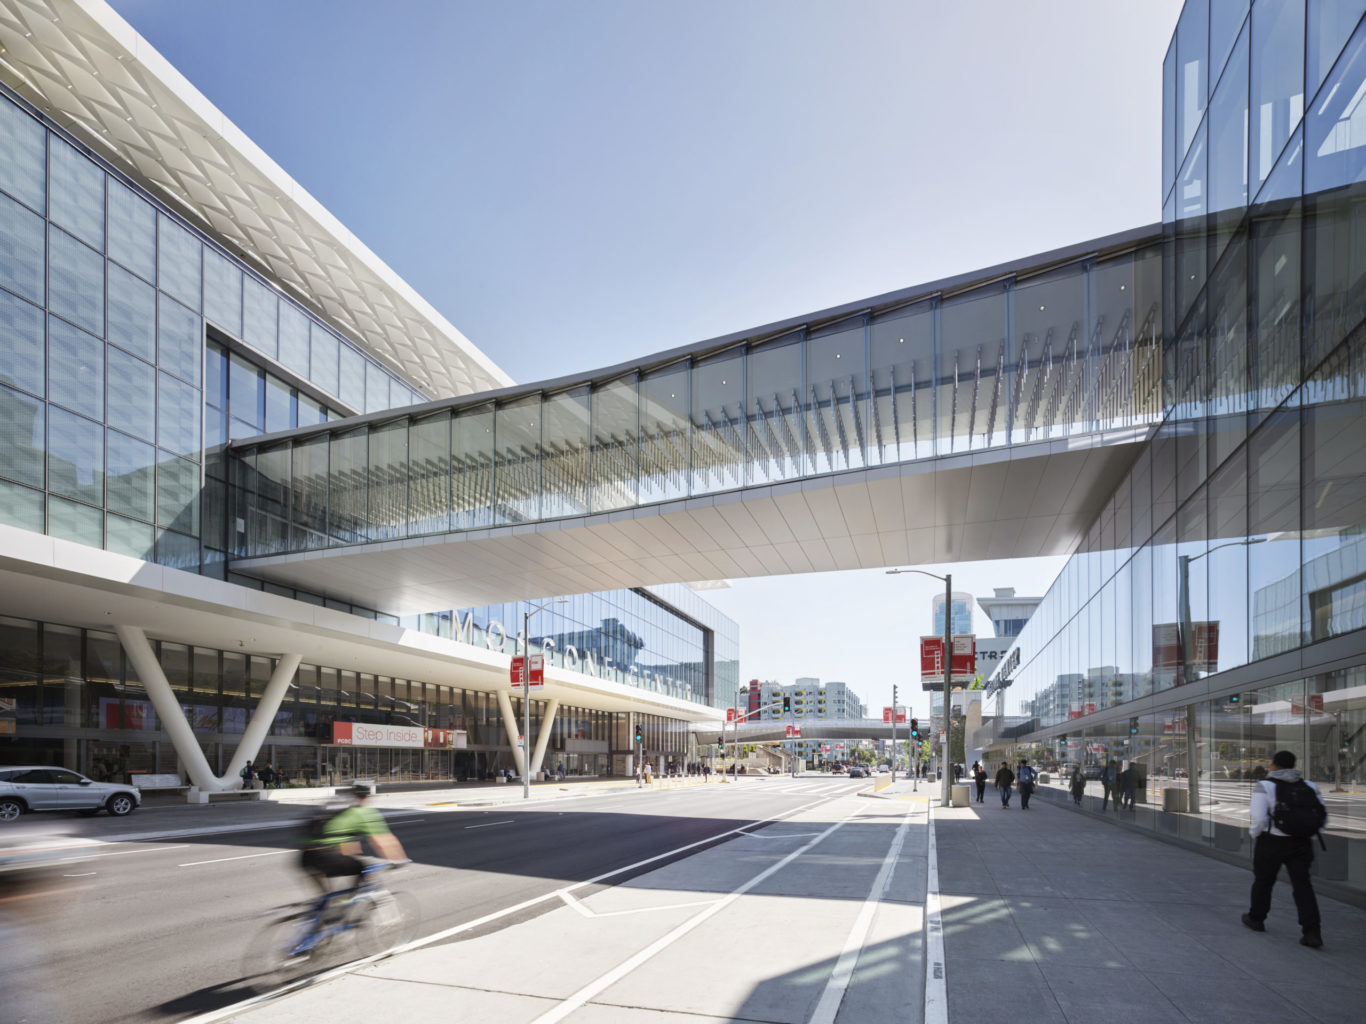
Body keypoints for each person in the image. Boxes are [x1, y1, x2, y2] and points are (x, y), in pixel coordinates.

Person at [1242, 750, 1326, 948]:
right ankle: (1312, 932)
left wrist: (1255, 835)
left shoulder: (1265, 786)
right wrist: (1308, 834)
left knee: (1263, 881)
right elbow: (1321, 817)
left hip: (1272, 841)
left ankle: (1257, 919)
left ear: (1273, 764)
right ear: (1293, 765)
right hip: (1302, 843)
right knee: (1303, 886)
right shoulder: (1310, 786)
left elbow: (1260, 818)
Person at [300, 783, 409, 894]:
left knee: (327, 895)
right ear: (366, 797)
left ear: (352, 794)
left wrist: (347, 850)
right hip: (325, 857)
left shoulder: (337, 808)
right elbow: (381, 841)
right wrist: (398, 859)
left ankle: (325, 903)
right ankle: (349, 901)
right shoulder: (363, 812)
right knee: (363, 868)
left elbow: (335, 836)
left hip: (305, 856)